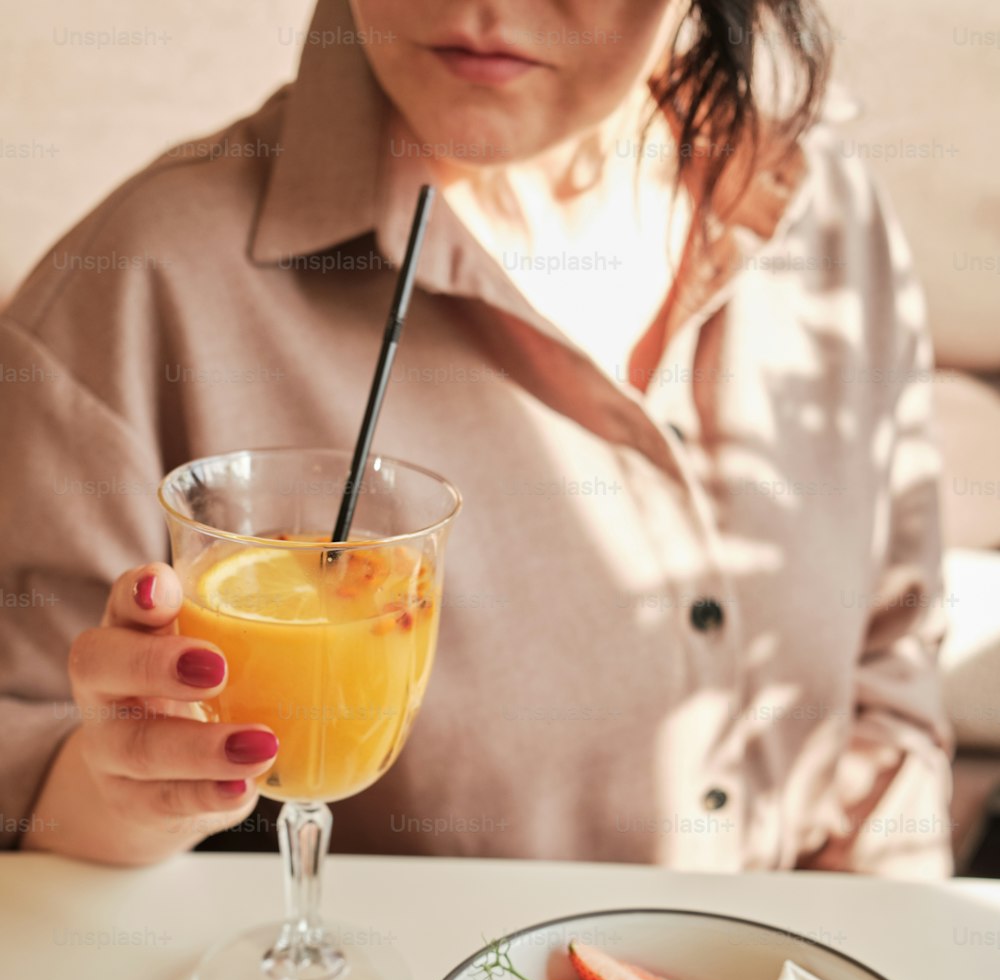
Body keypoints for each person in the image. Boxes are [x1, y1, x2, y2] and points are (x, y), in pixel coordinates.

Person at [0, 0, 954, 875]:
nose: (481, 8)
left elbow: (894, 657)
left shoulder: (828, 212)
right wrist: (130, 790)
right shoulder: (132, 288)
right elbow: (30, 789)